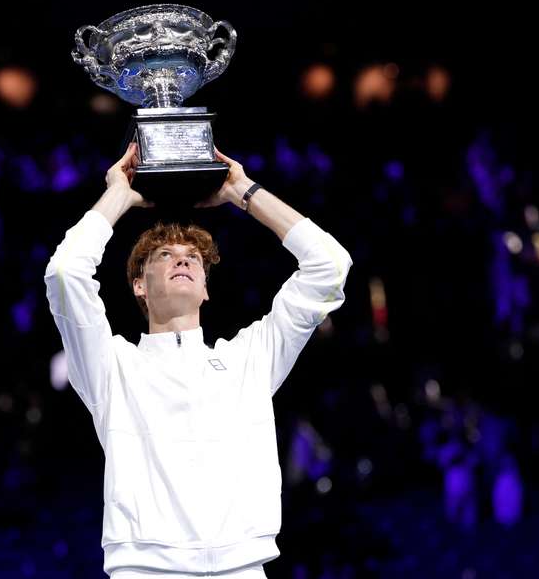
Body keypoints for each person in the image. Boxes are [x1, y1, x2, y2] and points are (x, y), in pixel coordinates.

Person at [44, 142, 353, 578]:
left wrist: (243, 191)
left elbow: (330, 265)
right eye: (165, 255)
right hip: (145, 570)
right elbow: (65, 272)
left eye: (193, 258)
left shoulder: (250, 358)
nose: (183, 260)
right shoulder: (111, 367)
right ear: (139, 285)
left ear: (206, 288)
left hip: (242, 568)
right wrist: (118, 194)